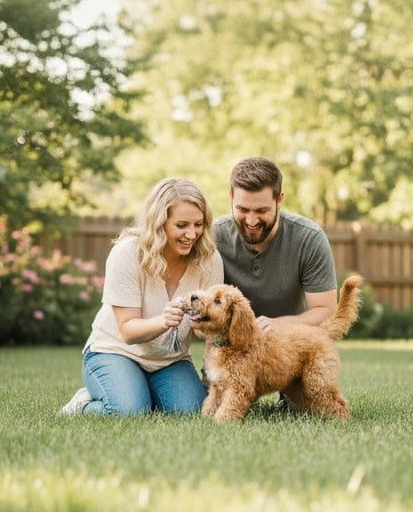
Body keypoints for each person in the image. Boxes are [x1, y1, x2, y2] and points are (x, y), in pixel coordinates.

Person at [60, 178, 223, 415]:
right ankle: (82, 405)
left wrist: (205, 324)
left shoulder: (209, 259)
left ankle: (140, 392)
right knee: (128, 411)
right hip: (115, 351)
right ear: (159, 223)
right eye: (181, 225)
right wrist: (164, 321)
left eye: (198, 224)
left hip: (169, 360)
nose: (192, 234)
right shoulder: (128, 253)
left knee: (191, 411)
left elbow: (203, 331)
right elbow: (127, 330)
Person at [213, 157, 339, 332]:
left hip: (290, 346)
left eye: (261, 211)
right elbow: (198, 318)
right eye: (242, 209)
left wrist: (279, 324)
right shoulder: (213, 237)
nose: (251, 220)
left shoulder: (309, 238)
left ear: (279, 200)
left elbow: (326, 311)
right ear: (231, 196)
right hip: (230, 349)